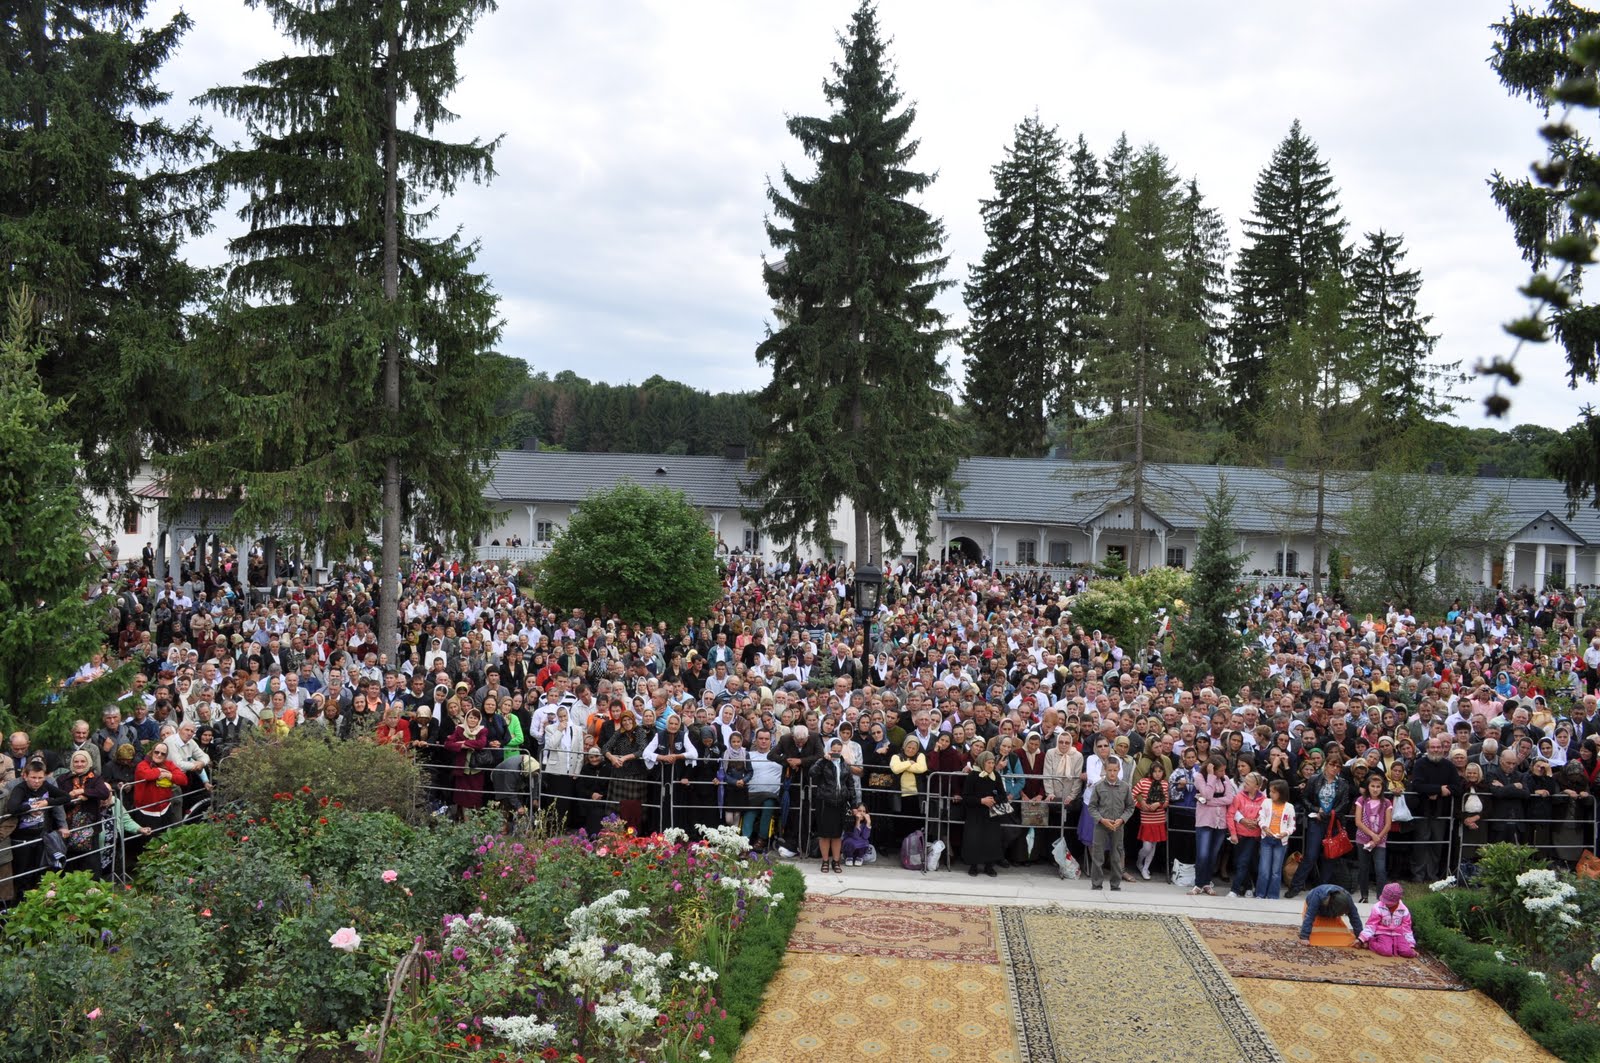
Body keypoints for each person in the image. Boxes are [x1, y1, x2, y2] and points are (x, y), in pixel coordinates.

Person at [1286, 758, 1354, 899]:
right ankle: (1296, 886)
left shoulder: (1343, 784)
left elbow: (1344, 803)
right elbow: (1304, 798)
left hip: (1333, 823)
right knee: (1310, 855)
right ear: (1325, 765)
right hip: (1316, 821)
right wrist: (1316, 810)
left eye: (1337, 765)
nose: (1334, 768)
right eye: (1332, 764)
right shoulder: (1314, 779)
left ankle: (1323, 889)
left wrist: (1330, 814)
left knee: (1330, 856)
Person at [811, 738, 862, 874]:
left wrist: (854, 805)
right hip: (824, 801)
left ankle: (836, 861)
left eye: (838, 752)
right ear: (829, 750)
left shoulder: (845, 764)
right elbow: (812, 773)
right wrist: (823, 760)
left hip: (840, 802)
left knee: (837, 835)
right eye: (833, 751)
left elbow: (850, 785)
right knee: (824, 834)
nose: (836, 754)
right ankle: (825, 860)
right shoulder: (823, 762)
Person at [1086, 753, 1134, 891]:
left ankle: (1115, 884)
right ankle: (1096, 884)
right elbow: (1092, 806)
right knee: (1098, 855)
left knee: (1116, 855)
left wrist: (1122, 819)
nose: (1112, 773)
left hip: (1118, 825)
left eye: (1115, 770)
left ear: (1119, 770)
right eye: (1109, 770)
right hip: (1101, 824)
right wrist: (1101, 819)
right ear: (1105, 770)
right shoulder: (1099, 786)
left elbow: (1130, 807)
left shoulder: (1125, 787)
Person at [1191, 756, 1236, 896]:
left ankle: (1206, 882)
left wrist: (1209, 802)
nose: (1223, 773)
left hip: (1220, 822)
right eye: (1220, 771)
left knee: (1213, 854)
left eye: (1224, 770)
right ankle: (1198, 883)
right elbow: (1207, 794)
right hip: (1205, 820)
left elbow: (1229, 798)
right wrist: (1210, 776)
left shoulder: (1226, 779)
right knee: (1203, 854)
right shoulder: (1200, 777)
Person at [962, 750, 1011, 878]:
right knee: (974, 839)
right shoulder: (973, 775)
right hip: (975, 813)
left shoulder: (996, 775)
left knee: (991, 839)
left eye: (993, 763)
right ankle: (974, 865)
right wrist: (981, 801)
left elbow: (1003, 795)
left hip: (991, 813)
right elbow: (966, 797)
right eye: (988, 763)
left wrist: (993, 800)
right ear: (982, 763)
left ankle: (989, 866)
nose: (991, 765)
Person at [1352, 771, 1393, 903]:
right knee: (1363, 868)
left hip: (1380, 840)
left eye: (1378, 787)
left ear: (1382, 788)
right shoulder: (1361, 801)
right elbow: (1358, 821)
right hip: (1363, 839)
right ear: (1368, 787)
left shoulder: (1386, 802)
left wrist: (1378, 838)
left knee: (1380, 869)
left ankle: (1381, 897)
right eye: (1372, 786)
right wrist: (1372, 835)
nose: (1375, 789)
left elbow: (1388, 824)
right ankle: (1364, 895)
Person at [443, 708, 490, 819]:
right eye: (470, 717)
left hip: (476, 770)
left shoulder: (482, 730)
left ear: (479, 720)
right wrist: (461, 746)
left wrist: (464, 742)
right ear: (466, 718)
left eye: (475, 718)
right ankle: (465, 821)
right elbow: (448, 744)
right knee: (462, 796)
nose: (472, 720)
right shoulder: (459, 729)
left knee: (476, 796)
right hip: (462, 769)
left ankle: (476, 822)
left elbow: (481, 743)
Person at [1227, 771, 1266, 898]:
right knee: (1242, 862)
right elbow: (1230, 814)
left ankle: (1235, 890)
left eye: (1248, 783)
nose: (1245, 785)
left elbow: (1265, 816)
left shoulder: (1264, 800)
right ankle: (1249, 886)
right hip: (1239, 835)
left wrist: (1258, 821)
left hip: (1253, 837)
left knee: (1244, 862)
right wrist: (1233, 833)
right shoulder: (1238, 797)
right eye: (1244, 782)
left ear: (1257, 787)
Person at [1256, 779, 1296, 900]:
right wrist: (1264, 827)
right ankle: (1260, 894)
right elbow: (1260, 817)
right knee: (1264, 869)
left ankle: (1273, 895)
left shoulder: (1289, 807)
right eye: (1270, 791)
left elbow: (1292, 825)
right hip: (1267, 839)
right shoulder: (1266, 803)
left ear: (1281, 793)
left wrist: (1286, 832)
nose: (1270, 794)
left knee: (1276, 870)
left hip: (1280, 841)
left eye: (1274, 792)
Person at [1131, 759, 1169, 881]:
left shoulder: (1164, 784)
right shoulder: (1143, 782)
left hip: (1159, 818)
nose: (1157, 774)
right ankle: (1139, 861)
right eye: (1155, 771)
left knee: (1154, 846)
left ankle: (1145, 868)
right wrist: (1141, 804)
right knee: (1147, 846)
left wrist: (1158, 804)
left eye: (1160, 771)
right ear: (1151, 772)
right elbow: (1132, 795)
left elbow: (1167, 801)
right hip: (1147, 818)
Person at [1359, 882, 1418, 956]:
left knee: (1407, 952)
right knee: (1386, 951)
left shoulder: (1404, 910)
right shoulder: (1377, 908)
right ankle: (1371, 942)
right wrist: (1362, 938)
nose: (1386, 903)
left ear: (1397, 900)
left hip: (1398, 935)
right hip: (1382, 933)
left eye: (1389, 902)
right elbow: (1371, 925)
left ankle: (1393, 946)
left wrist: (1411, 945)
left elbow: (1407, 929)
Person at [1297, 882, 1364, 945]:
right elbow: (1309, 916)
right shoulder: (1316, 896)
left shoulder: (1348, 899)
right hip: (1316, 909)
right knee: (1314, 936)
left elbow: (1355, 917)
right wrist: (1304, 937)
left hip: (1331, 910)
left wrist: (1360, 938)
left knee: (1340, 936)